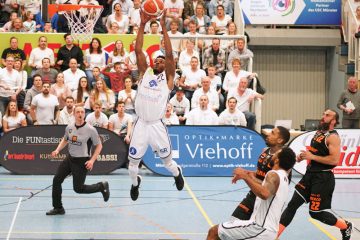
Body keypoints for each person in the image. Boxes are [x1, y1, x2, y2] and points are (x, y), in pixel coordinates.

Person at [128, 9, 184, 201]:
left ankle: (178, 174)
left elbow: (169, 54)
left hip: (156, 125)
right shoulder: (145, 73)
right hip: (141, 124)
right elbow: (138, 50)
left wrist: (163, 25)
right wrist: (142, 24)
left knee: (167, 163)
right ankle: (135, 185)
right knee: (132, 165)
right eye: (156, 59)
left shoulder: (168, 79)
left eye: (161, 60)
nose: (159, 60)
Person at [278, 109, 353, 240]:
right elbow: (316, 153)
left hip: (323, 178)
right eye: (323, 114)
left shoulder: (333, 137)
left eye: (327, 115)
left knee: (316, 213)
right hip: (309, 175)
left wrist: (312, 156)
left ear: (334, 121)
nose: (323, 117)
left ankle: (345, 226)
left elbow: (334, 160)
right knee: (292, 206)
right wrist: (305, 157)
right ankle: (275, 235)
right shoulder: (319, 132)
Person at [207, 147, 296, 240]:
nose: (272, 155)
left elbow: (264, 193)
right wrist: (251, 177)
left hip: (259, 228)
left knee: (214, 232)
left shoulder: (273, 174)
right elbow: (266, 188)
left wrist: (245, 176)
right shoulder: (284, 177)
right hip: (271, 231)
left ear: (277, 160)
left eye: (276, 153)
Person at [46, 106, 110, 215]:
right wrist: (57, 150)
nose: (80, 114)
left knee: (78, 189)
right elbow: (65, 140)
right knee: (56, 180)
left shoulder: (91, 129)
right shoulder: (69, 127)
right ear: (74, 114)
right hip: (69, 159)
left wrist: (92, 161)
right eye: (78, 112)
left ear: (84, 114)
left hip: (81, 161)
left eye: (82, 112)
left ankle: (101, 186)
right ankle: (58, 208)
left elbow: (99, 146)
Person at [230, 126, 290, 221]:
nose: (268, 134)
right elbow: (260, 172)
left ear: (280, 140)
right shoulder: (265, 150)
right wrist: (249, 173)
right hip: (253, 194)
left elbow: (272, 188)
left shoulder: (281, 160)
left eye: (273, 133)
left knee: (257, 231)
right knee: (233, 221)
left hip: (266, 201)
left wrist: (246, 177)